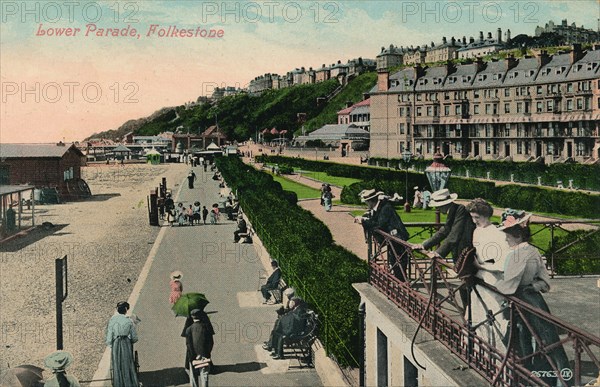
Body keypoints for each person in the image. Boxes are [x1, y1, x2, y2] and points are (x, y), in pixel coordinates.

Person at [495, 209, 570, 386]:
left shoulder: (517, 254)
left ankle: (524, 377)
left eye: (507, 235)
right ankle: (550, 378)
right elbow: (545, 282)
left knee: (520, 339)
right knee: (546, 340)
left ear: (517, 235)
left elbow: (508, 286)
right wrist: (532, 287)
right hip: (536, 301)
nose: (505, 239)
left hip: (520, 302)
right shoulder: (533, 251)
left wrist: (492, 281)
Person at [413, 189, 475, 306]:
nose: (437, 209)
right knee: (464, 285)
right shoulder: (453, 210)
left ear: (445, 204)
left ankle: (470, 316)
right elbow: (444, 230)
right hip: (461, 253)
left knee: (467, 285)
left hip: (468, 253)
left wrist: (438, 252)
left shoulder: (460, 210)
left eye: (438, 206)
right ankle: (468, 315)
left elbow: (454, 236)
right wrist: (424, 245)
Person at [465, 198, 511, 352]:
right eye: (472, 217)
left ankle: (499, 355)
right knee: (477, 317)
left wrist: (482, 265)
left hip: (492, 281)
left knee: (494, 317)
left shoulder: (497, 234)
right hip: (478, 280)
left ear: (486, 215)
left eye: (477, 218)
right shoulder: (476, 231)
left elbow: (503, 263)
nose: (474, 221)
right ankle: (480, 352)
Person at [355, 189, 410, 281]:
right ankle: (400, 283)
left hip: (398, 238)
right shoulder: (380, 207)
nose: (366, 205)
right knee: (394, 261)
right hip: (392, 239)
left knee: (399, 262)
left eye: (366, 202)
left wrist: (363, 221)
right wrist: (365, 218)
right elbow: (376, 221)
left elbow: (379, 224)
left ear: (371, 201)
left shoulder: (386, 207)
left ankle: (402, 285)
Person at [105, 301, 139, 387]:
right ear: (126, 310)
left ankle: (118, 383)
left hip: (116, 343)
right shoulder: (129, 320)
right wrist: (131, 341)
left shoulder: (112, 320)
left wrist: (110, 343)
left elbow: (109, 335)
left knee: (117, 363)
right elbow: (134, 337)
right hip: (126, 342)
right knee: (127, 362)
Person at [185, 309, 215, 387]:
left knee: (193, 377)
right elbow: (211, 342)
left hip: (193, 356)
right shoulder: (206, 327)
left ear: (192, 317)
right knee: (204, 375)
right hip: (204, 355)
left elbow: (188, 345)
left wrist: (193, 356)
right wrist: (207, 353)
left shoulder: (189, 329)